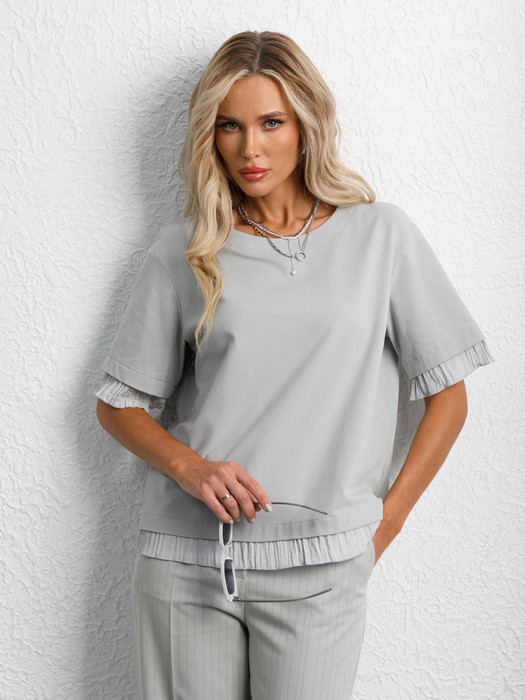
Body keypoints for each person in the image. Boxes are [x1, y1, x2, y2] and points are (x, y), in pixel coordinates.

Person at [94, 30, 495, 700]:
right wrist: (189, 467)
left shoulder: (381, 236)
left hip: (322, 564)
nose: (250, 149)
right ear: (210, 136)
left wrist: (382, 526)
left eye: (271, 123)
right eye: (229, 126)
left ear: (307, 125)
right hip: (186, 563)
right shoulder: (185, 251)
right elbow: (117, 405)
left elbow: (448, 397)